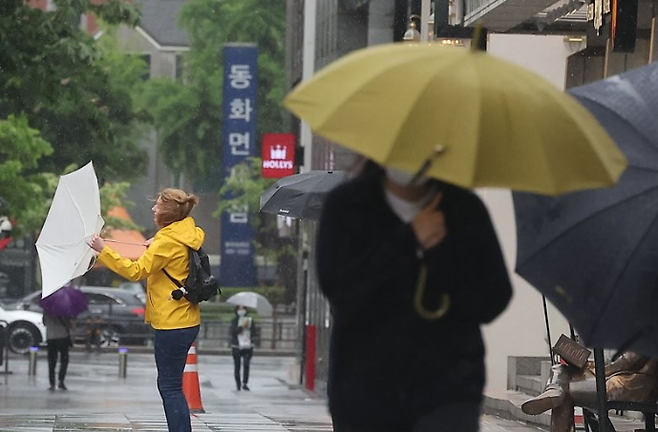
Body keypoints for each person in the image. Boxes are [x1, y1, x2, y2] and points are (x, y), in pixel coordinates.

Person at [316, 160, 513, 432]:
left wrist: (443, 254)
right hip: (365, 391)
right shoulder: (348, 206)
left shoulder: (463, 208)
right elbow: (342, 289)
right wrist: (409, 240)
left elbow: (493, 298)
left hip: (447, 389)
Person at [89, 188, 204, 432]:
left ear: (168, 213)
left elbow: (135, 271)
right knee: (171, 384)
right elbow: (175, 250)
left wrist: (103, 250)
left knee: (170, 386)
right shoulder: (186, 233)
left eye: (158, 205)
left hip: (171, 323)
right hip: (187, 319)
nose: (153, 209)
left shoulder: (166, 241)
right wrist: (157, 243)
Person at [522, 351, 658, 432]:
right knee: (560, 369)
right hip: (616, 378)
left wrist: (591, 368)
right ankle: (553, 390)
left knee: (567, 393)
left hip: (630, 385)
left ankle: (555, 391)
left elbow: (627, 363)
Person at [42, 311, 74, 391]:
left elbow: (44, 323)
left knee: (52, 362)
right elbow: (69, 325)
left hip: (51, 337)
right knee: (64, 360)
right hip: (63, 337)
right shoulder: (65, 310)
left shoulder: (47, 310)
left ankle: (52, 383)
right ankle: (61, 380)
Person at [230, 305, 258, 391]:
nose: (241, 310)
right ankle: (238, 384)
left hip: (247, 346)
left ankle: (245, 383)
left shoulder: (250, 320)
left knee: (246, 364)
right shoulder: (234, 321)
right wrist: (241, 327)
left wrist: (248, 329)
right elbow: (233, 333)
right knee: (237, 365)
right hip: (236, 346)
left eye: (243, 309)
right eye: (240, 309)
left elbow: (254, 332)